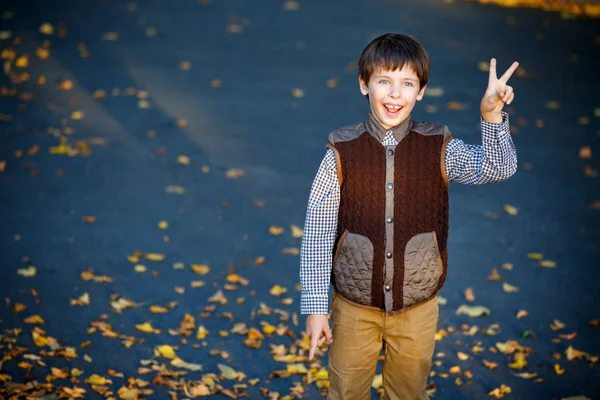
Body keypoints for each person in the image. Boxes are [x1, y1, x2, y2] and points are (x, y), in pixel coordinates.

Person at [299, 33, 518, 399]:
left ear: (421, 91)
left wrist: (491, 114)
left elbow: (498, 167)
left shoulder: (439, 146)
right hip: (354, 308)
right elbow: (318, 234)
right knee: (345, 392)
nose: (395, 94)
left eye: (407, 83)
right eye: (384, 81)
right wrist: (317, 307)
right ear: (363, 84)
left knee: (407, 393)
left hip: (417, 308)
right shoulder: (341, 150)